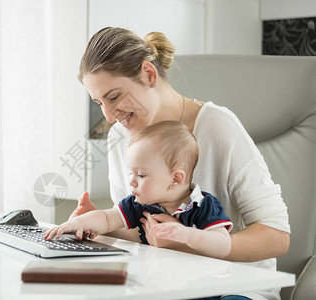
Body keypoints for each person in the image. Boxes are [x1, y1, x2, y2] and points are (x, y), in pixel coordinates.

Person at [69, 27, 290, 300]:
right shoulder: (118, 137)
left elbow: (277, 236)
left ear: (149, 74)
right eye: (98, 102)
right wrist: (98, 225)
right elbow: (147, 234)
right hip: (167, 284)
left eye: (113, 97)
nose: (109, 116)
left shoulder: (217, 126)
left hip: (233, 287)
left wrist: (190, 244)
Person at [46, 121, 233, 259]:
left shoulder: (202, 204)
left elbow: (224, 245)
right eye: (130, 173)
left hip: (200, 287)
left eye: (141, 175)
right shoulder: (139, 203)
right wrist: (78, 222)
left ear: (175, 179)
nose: (132, 182)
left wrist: (189, 235)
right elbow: (106, 218)